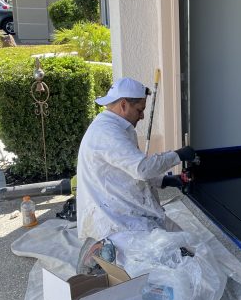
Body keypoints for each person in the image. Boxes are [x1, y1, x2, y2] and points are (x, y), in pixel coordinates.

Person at [76, 77, 196, 241]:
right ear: (123, 105)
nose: (142, 116)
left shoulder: (117, 127)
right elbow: (142, 169)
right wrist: (178, 155)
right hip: (113, 221)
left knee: (184, 241)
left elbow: (129, 169)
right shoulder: (106, 132)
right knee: (177, 247)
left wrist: (165, 180)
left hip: (122, 208)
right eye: (140, 110)